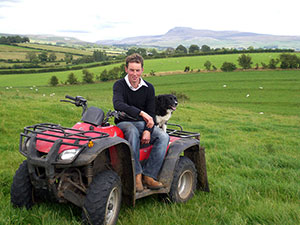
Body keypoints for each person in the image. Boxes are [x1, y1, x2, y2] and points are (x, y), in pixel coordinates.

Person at [113, 53, 169, 192]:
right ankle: (136, 176)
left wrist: (147, 131)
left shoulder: (148, 88)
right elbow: (118, 104)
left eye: (137, 70)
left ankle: (149, 175)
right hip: (124, 123)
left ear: (142, 70)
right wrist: (140, 113)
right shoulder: (120, 85)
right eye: (131, 70)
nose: (134, 74)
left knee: (163, 137)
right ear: (126, 69)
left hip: (143, 124)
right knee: (132, 131)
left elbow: (151, 112)